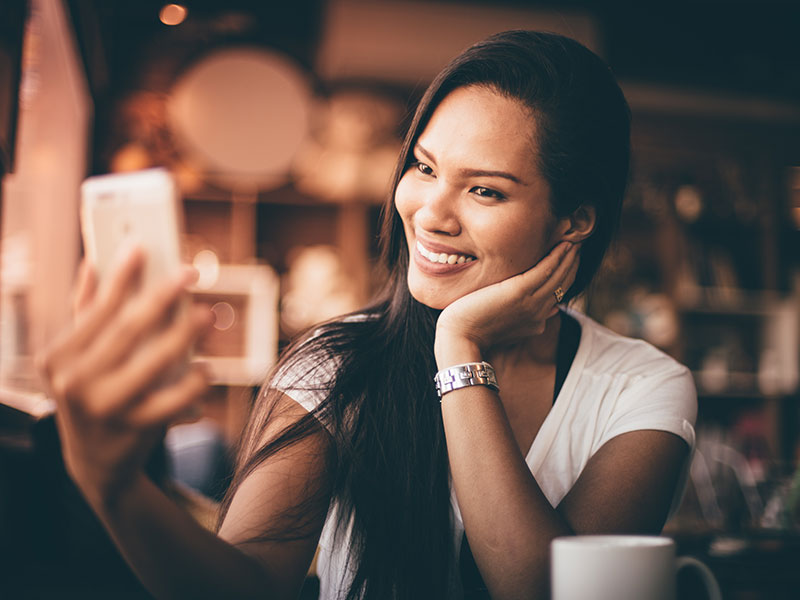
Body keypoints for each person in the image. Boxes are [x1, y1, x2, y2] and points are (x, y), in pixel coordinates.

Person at [39, 30, 696, 600]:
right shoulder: (332, 365)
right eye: (424, 167)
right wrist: (112, 487)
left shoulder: (641, 388)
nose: (430, 213)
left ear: (574, 220)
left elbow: (540, 590)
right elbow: (245, 585)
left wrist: (458, 347)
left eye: (485, 190)